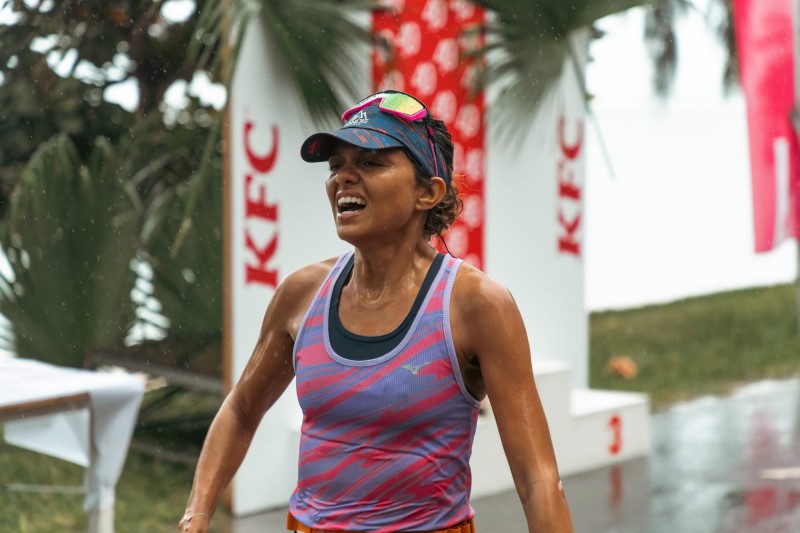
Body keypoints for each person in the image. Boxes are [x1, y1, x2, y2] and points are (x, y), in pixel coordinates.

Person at [179, 90, 573, 533]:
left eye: (370, 162)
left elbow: (537, 480)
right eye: (336, 166)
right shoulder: (301, 294)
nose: (343, 178)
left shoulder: (476, 305)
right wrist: (197, 514)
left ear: (428, 192)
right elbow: (241, 410)